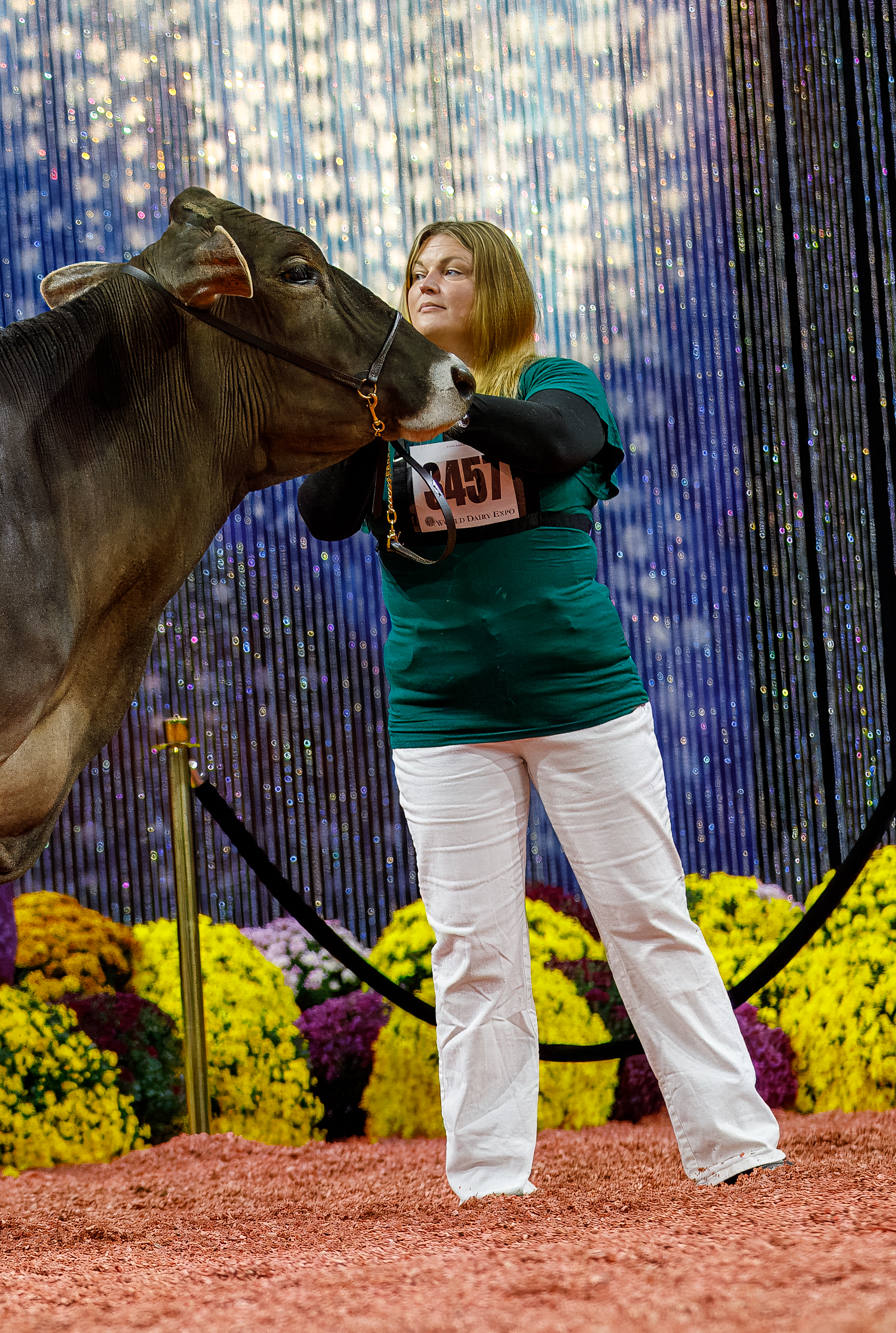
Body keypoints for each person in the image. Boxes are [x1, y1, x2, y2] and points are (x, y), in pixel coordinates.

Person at [297, 220, 786, 1200]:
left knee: (646, 919)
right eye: (417, 271)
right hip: (440, 716)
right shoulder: (378, 410)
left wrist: (440, 395)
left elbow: (558, 440)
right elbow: (323, 515)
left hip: (581, 700)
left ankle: (734, 1146)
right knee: (470, 946)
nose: (427, 282)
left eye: (452, 269)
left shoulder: (553, 379)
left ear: (499, 288)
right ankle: (488, 1177)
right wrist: (378, 413)